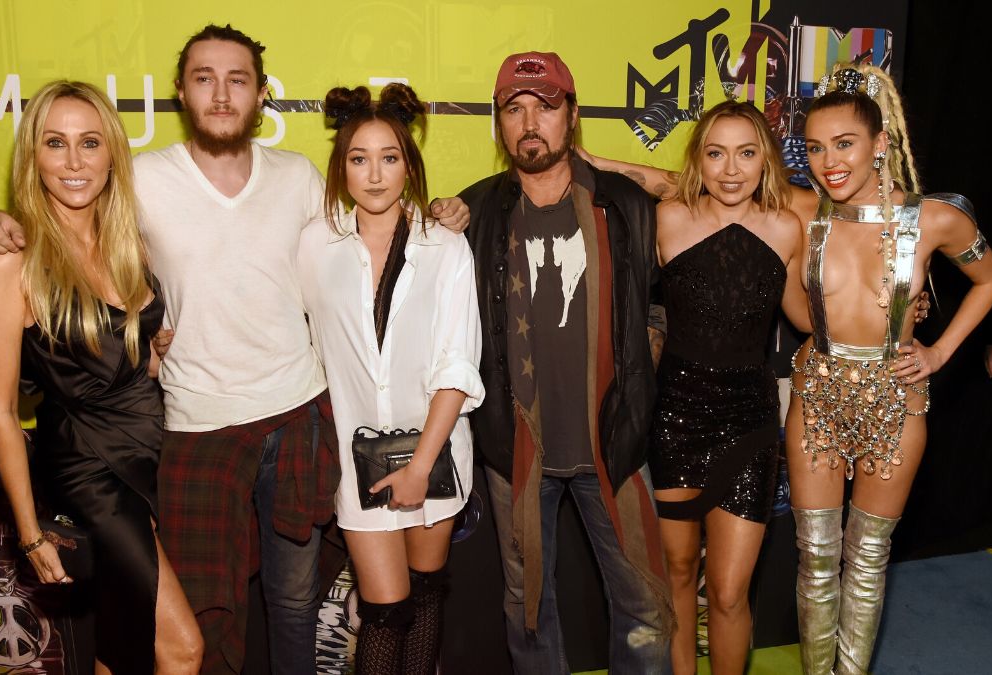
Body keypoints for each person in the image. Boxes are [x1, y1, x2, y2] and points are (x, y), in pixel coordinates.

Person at [0, 25, 469, 675]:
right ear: (181, 91)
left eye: (238, 79)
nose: (222, 94)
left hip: (296, 414)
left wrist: (441, 216)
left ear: (262, 94)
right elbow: (61, 252)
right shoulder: (137, 181)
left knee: (293, 601)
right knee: (200, 618)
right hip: (192, 428)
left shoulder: (299, 176)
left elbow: (366, 233)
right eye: (205, 78)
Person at [0, 80, 202, 674]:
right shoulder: (8, 262)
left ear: (111, 154)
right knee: (180, 648)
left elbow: (117, 353)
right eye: (55, 143)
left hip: (153, 450)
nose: (74, 162)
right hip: (91, 469)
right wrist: (29, 534)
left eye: (89, 143)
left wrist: (151, 355)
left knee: (123, 643)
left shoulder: (130, 246)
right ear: (32, 156)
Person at [458, 51, 674, 674]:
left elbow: (727, 188)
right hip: (516, 448)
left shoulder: (627, 205)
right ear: (498, 124)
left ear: (572, 116)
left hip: (613, 441)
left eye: (546, 107)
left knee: (645, 608)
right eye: (514, 108)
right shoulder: (475, 214)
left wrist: (641, 369)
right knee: (528, 609)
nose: (530, 122)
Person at [786, 64, 992, 675]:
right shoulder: (806, 210)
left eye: (845, 143)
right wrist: (612, 170)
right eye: (816, 146)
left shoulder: (936, 217)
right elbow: (702, 182)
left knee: (869, 558)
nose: (828, 160)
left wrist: (939, 352)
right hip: (817, 397)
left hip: (896, 402)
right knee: (816, 556)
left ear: (881, 144)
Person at [297, 83, 483, 675]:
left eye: (389, 157)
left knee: (426, 597)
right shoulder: (314, 246)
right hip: (356, 462)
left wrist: (421, 467)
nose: (374, 174)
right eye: (358, 159)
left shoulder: (446, 247)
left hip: (435, 454)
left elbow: (457, 362)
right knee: (384, 610)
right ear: (341, 167)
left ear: (410, 164)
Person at [646, 100, 807, 675]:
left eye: (746, 153)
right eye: (716, 153)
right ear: (698, 160)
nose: (731, 169)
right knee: (679, 575)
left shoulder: (788, 226)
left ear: (765, 160)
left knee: (731, 592)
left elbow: (808, 319)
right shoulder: (668, 219)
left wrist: (892, 309)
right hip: (676, 418)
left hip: (750, 422)